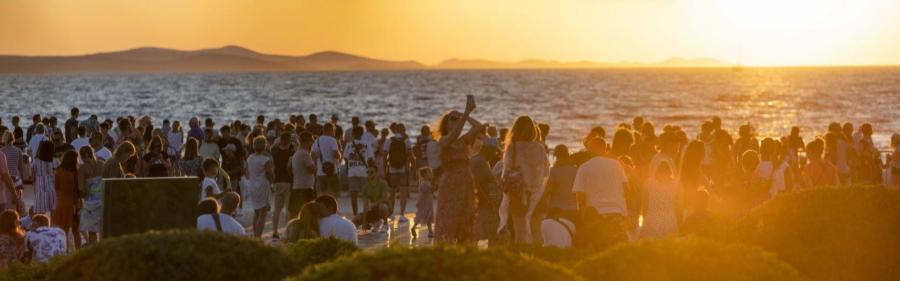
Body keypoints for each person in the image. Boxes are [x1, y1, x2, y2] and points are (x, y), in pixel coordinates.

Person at [434, 95, 483, 244]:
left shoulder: (463, 141)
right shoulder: (443, 140)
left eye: (457, 119)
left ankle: (464, 249)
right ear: (445, 124)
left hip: (465, 181)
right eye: (452, 119)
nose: (455, 122)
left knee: (466, 218)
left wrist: (463, 115)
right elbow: (454, 134)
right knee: (448, 219)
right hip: (450, 183)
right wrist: (466, 112)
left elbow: (478, 127)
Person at [499, 115, 549, 245]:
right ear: (533, 130)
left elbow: (506, 173)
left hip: (518, 194)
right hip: (538, 195)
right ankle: (538, 256)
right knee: (536, 231)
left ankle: (522, 256)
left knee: (519, 231)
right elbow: (546, 172)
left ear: (515, 130)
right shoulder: (540, 148)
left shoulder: (512, 147)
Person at [573, 136, 629, 250]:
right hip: (617, 213)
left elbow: (580, 196)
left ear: (590, 149)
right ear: (605, 149)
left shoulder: (584, 167)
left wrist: (582, 216)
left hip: (595, 216)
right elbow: (627, 189)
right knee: (619, 250)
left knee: (599, 250)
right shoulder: (616, 165)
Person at [640, 132, 682, 239]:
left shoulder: (666, 158)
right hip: (660, 212)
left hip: (662, 211)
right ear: (667, 144)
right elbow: (657, 185)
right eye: (675, 143)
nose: (678, 146)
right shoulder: (662, 160)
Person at [383, 123, 414, 222]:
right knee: (403, 192)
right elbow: (410, 155)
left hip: (392, 169)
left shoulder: (389, 140)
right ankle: (402, 214)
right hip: (404, 169)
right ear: (402, 130)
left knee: (392, 192)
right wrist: (414, 166)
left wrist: (384, 168)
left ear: (395, 130)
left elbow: (384, 155)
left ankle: (391, 214)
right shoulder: (406, 140)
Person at [52, 151, 81, 250]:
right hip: (73, 203)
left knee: (64, 230)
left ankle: (65, 251)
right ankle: (78, 251)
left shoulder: (59, 170)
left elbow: (56, 187)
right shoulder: (75, 171)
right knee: (76, 230)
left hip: (61, 201)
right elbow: (78, 188)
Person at [245, 136, 273, 238]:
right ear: (264, 146)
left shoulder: (250, 158)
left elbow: (246, 173)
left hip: (252, 185)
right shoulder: (265, 159)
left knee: (256, 211)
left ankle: (255, 234)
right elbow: (269, 174)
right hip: (262, 185)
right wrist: (272, 181)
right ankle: (258, 236)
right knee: (263, 212)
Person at [77, 146, 104, 245]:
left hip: (91, 203)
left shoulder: (82, 168)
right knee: (103, 229)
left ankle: (94, 250)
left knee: (92, 231)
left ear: (81, 156)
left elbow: (81, 189)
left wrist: (82, 195)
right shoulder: (102, 164)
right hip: (103, 200)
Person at [270, 133, 295, 239]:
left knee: (277, 209)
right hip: (288, 182)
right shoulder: (291, 152)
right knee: (288, 209)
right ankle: (287, 232)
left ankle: (275, 232)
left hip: (277, 181)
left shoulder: (274, 151)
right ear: (289, 141)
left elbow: (272, 166)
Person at [344, 127, 373, 216]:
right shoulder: (367, 144)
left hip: (352, 172)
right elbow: (371, 159)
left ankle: (355, 215)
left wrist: (347, 170)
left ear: (353, 134)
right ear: (362, 134)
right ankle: (366, 215)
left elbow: (345, 158)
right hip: (364, 173)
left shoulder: (349, 144)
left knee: (354, 196)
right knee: (366, 196)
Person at [289, 132, 317, 220]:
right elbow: (312, 169)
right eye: (311, 141)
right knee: (310, 213)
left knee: (295, 213)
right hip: (305, 188)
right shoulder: (305, 154)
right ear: (307, 141)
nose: (312, 143)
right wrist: (314, 160)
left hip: (297, 186)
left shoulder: (296, 153)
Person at [311, 123, 341, 198]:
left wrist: (319, 155)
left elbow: (312, 156)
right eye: (333, 131)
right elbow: (336, 155)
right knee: (334, 193)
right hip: (332, 171)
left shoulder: (317, 141)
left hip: (321, 172)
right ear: (331, 130)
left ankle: (323, 205)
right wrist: (340, 154)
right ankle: (333, 205)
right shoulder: (332, 140)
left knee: (322, 193)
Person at [361, 167, 389, 231]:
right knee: (355, 219)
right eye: (367, 172)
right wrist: (364, 221)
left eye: (371, 172)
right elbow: (365, 204)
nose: (369, 174)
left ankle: (385, 223)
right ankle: (374, 221)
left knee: (383, 206)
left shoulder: (383, 183)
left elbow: (384, 198)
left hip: (383, 208)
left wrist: (374, 204)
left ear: (376, 173)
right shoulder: (365, 186)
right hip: (372, 208)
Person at [32, 141, 56, 215]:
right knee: (53, 208)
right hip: (51, 184)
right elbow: (55, 174)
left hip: (40, 184)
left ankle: (41, 221)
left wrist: (34, 187)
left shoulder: (36, 161)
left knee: (40, 208)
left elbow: (33, 176)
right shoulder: (53, 161)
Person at [411, 167, 434, 238]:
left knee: (427, 217)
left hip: (428, 203)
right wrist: (419, 201)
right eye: (429, 173)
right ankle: (414, 227)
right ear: (425, 174)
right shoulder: (425, 183)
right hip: (425, 203)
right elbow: (422, 193)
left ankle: (430, 232)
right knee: (425, 216)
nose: (431, 174)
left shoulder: (425, 182)